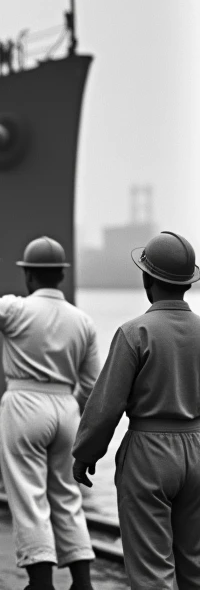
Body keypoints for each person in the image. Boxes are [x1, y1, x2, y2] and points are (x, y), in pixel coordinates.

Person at [0, 237, 100, 590]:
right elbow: (92, 384)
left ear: (29, 276)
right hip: (66, 406)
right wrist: (69, 405)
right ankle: (82, 582)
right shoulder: (83, 321)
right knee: (67, 494)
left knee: (28, 494)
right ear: (60, 277)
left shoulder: (14, 308)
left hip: (24, 402)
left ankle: (40, 581)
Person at [72, 231, 200, 589]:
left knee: (151, 570)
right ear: (187, 283)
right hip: (198, 447)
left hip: (149, 453)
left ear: (147, 279)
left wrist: (85, 454)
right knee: (194, 564)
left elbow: (106, 407)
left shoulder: (134, 333)